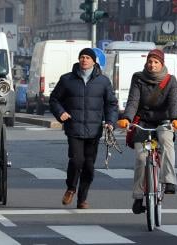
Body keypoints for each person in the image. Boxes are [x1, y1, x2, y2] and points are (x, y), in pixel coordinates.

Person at [49, 48, 118, 209]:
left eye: (87, 57)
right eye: (82, 57)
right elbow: (54, 99)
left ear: (94, 61)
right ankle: (71, 188)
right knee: (76, 160)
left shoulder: (103, 81)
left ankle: (82, 198)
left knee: (89, 166)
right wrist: (61, 113)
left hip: (94, 130)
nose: (84, 60)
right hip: (74, 127)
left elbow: (111, 104)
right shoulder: (67, 79)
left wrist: (110, 122)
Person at [117, 49, 177, 214]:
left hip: (164, 120)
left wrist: (175, 118)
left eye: (156, 62)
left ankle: (169, 181)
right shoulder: (138, 78)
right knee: (141, 157)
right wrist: (127, 119)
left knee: (166, 142)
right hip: (143, 121)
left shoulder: (171, 80)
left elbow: (174, 102)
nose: (152, 65)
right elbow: (133, 100)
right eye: (150, 62)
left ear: (162, 64)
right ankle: (138, 197)